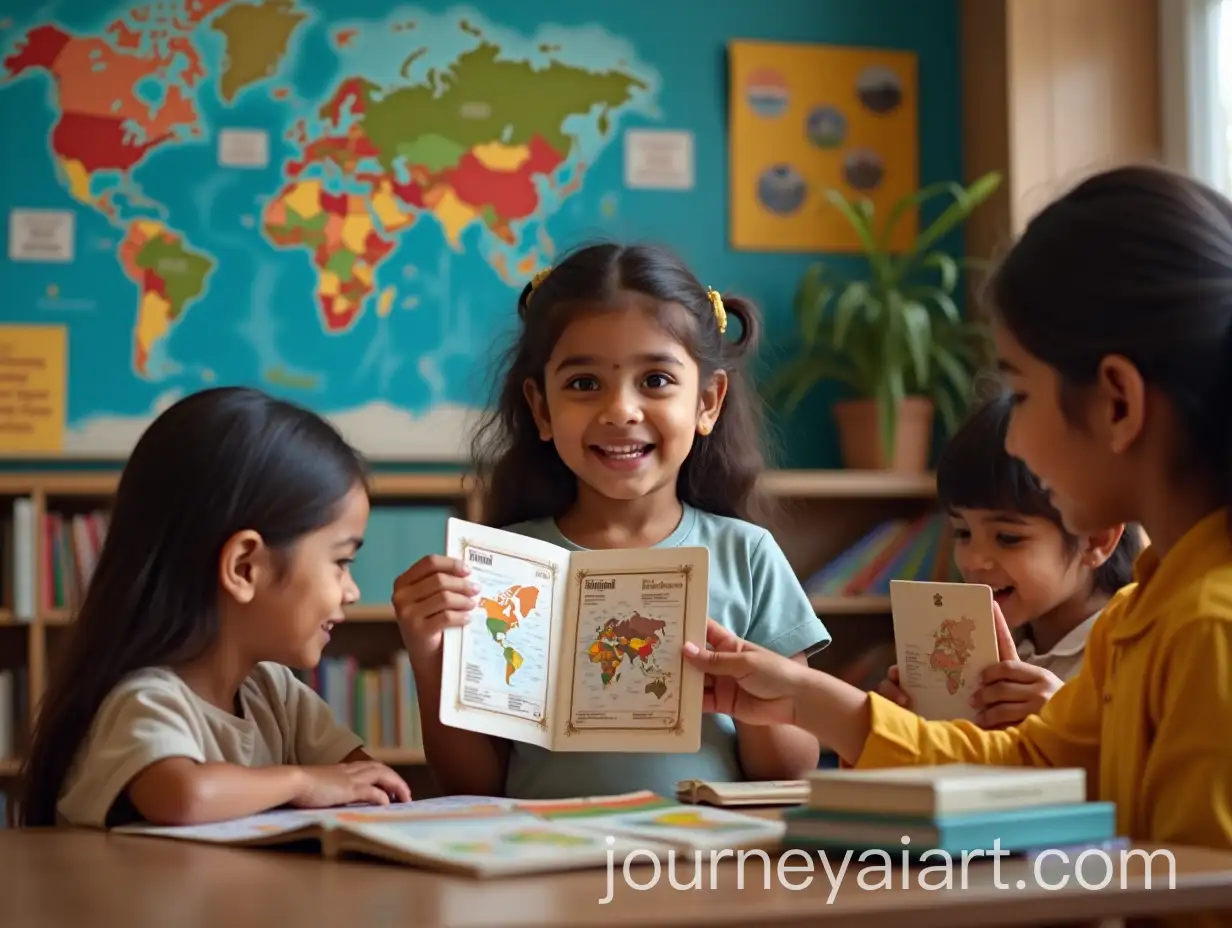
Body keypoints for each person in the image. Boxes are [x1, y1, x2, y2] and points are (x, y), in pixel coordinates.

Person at [680, 166, 1232, 924]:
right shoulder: (1151, 607)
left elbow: (1202, 895)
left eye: (1024, 394)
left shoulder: (1209, 626)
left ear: (1117, 403)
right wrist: (810, 697)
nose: (1017, 435)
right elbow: (1027, 764)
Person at [393, 242, 830, 799]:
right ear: (542, 409)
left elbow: (792, 772)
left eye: (655, 380)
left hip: (706, 867)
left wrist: (748, 697)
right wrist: (430, 658)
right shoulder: (505, 568)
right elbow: (472, 784)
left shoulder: (747, 556)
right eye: (583, 383)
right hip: (544, 864)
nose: (620, 410)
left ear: (708, 403)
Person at [18, 387, 412, 829]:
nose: (351, 590)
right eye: (340, 562)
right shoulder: (147, 699)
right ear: (245, 567)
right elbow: (184, 796)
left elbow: (360, 780)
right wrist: (303, 781)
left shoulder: (276, 694)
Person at [877, 393, 1140, 727]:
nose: (973, 561)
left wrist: (1068, 717)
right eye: (962, 533)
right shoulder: (973, 651)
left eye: (1008, 538)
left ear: (1095, 541)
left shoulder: (1134, 644)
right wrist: (905, 726)